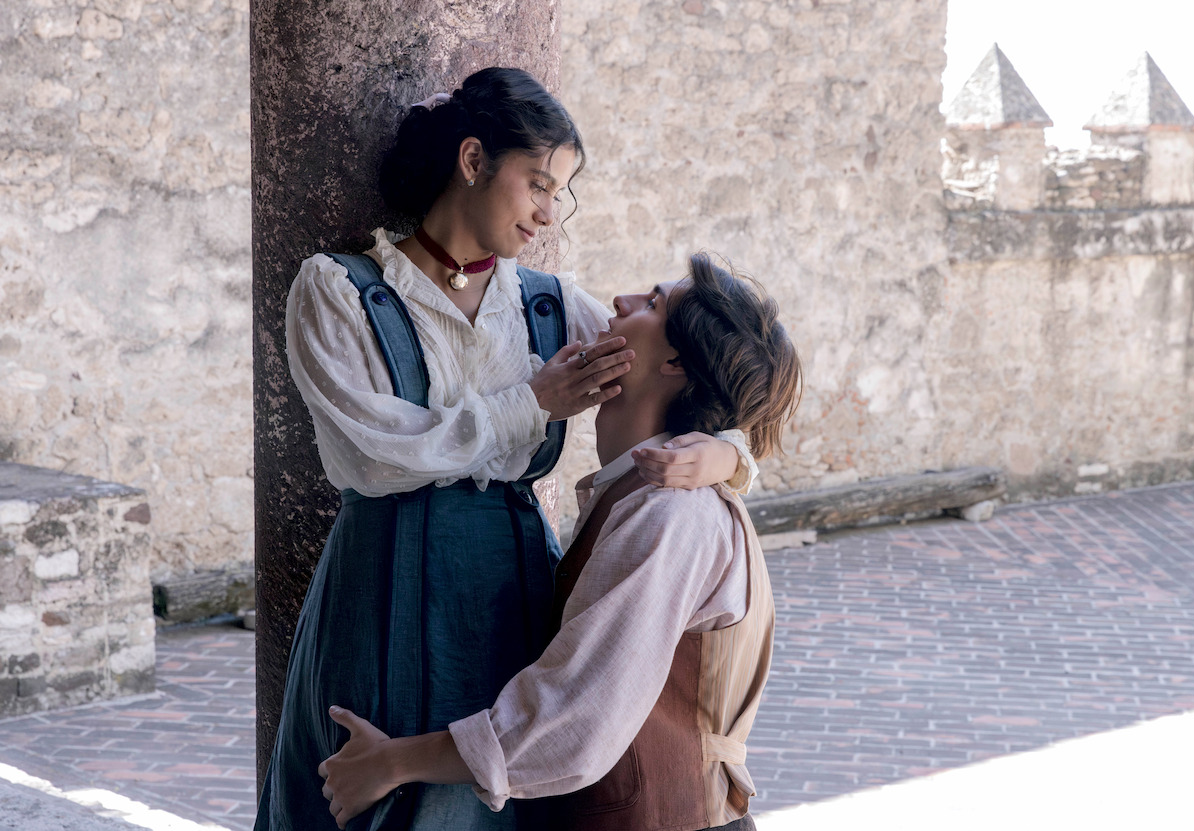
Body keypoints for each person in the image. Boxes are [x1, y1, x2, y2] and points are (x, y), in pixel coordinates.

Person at [254, 68, 754, 831]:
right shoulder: (338, 291)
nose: (548, 214)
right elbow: (374, 457)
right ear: (472, 160)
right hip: (377, 581)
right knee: (360, 792)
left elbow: (717, 374)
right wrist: (532, 403)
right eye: (538, 184)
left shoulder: (551, 307)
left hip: (509, 602)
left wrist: (727, 458)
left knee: (486, 795)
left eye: (560, 194)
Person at [317, 252, 802, 831]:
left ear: (674, 360)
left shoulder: (672, 513)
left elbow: (577, 717)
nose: (619, 302)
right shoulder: (648, 492)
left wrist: (393, 762)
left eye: (651, 303)